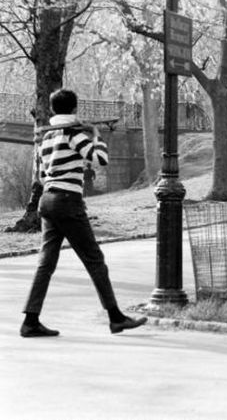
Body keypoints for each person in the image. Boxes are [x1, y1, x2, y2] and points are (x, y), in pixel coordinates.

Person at [20, 89, 147, 338]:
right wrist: (97, 135)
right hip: (68, 201)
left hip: (48, 200)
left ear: (55, 110)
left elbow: (43, 175)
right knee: (94, 260)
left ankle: (30, 320)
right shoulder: (73, 135)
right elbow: (100, 159)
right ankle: (116, 317)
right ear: (75, 109)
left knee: (45, 264)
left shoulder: (46, 139)